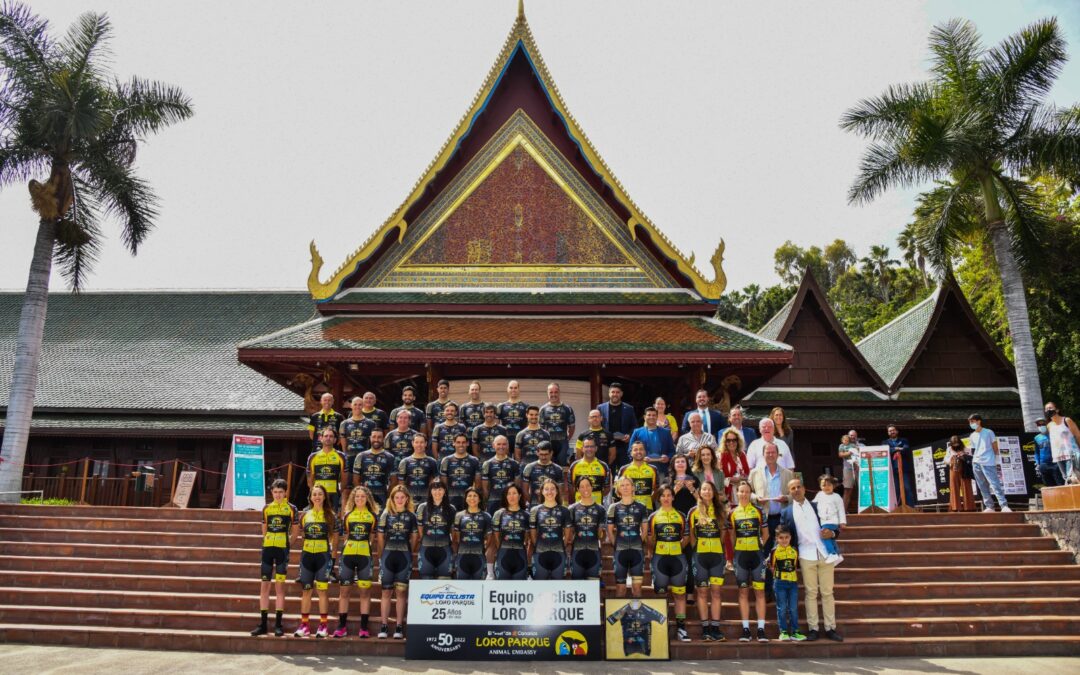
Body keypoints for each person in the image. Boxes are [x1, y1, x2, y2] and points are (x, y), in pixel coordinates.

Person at [779, 478, 842, 642]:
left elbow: (834, 526)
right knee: (811, 593)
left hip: (825, 554)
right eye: (793, 488)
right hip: (805, 555)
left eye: (799, 486)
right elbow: (782, 536)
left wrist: (833, 534)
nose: (796, 490)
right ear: (790, 492)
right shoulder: (786, 512)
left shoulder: (817, 506)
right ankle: (813, 628)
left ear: (805, 488)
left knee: (828, 592)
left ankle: (830, 628)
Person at [251, 478, 296, 637]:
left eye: (281, 492)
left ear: (285, 493)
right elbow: (264, 528)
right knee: (264, 587)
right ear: (272, 493)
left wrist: (288, 544)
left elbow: (296, 530)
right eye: (275, 492)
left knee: (280, 588)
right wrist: (267, 542)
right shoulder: (266, 508)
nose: (278, 495)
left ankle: (278, 625)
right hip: (268, 550)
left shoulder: (291, 509)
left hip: (282, 550)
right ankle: (263, 624)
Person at [646, 485, 691, 642]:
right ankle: (661, 627)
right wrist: (656, 549)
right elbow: (650, 539)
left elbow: (686, 538)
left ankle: (681, 627)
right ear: (659, 498)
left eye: (669, 495)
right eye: (663, 495)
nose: (666, 498)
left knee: (680, 594)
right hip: (660, 558)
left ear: (673, 497)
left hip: (678, 558)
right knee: (660, 593)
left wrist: (677, 547)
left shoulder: (681, 516)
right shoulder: (653, 517)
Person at [293, 484, 337, 638]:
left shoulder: (330, 515)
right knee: (306, 591)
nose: (317, 497)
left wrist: (333, 559)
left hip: (323, 557)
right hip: (307, 556)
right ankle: (304, 625)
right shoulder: (305, 515)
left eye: (320, 494)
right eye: (314, 494)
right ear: (310, 497)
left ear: (324, 497)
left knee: (322, 591)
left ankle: (323, 626)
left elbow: (335, 539)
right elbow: (303, 535)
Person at [334, 485, 377, 638]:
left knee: (365, 592)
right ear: (353, 498)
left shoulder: (372, 516)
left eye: (362, 496)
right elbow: (345, 537)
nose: (360, 499)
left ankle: (364, 628)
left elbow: (372, 538)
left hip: (365, 556)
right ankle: (341, 626)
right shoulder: (347, 516)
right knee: (344, 592)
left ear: (367, 499)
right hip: (348, 556)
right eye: (357, 496)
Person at [376, 484, 418, 640]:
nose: (399, 500)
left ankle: (399, 626)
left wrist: (408, 551)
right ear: (392, 499)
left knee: (401, 592)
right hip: (388, 555)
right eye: (396, 497)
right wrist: (382, 554)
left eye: (402, 497)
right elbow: (380, 538)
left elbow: (414, 538)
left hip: (404, 556)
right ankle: (384, 625)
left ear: (407, 499)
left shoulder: (412, 516)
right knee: (386, 592)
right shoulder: (385, 515)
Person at [688, 480, 726, 642]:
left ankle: (716, 628)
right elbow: (690, 534)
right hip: (700, 556)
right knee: (702, 592)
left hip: (717, 556)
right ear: (700, 492)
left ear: (714, 493)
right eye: (704, 489)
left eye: (710, 490)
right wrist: (696, 548)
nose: (707, 492)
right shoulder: (693, 511)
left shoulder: (720, 510)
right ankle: (705, 628)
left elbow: (723, 533)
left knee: (716, 592)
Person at [730, 481, 768, 642]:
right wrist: (736, 552)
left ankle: (761, 629)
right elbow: (731, 537)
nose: (744, 494)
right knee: (743, 592)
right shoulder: (732, 513)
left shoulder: (758, 511)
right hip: (740, 557)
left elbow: (766, 534)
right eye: (741, 492)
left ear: (750, 494)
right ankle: (745, 629)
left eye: (747, 492)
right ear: (736, 493)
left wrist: (759, 547)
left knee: (759, 592)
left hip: (757, 555)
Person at [607, 476, 650, 598]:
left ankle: (636, 616)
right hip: (620, 551)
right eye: (622, 485)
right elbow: (609, 531)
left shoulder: (641, 507)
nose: (625, 487)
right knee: (620, 589)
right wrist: (616, 544)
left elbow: (645, 530)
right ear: (618, 489)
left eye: (627, 485)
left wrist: (637, 542)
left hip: (637, 551)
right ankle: (620, 616)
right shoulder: (613, 507)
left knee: (637, 589)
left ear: (632, 488)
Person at [748, 444, 793, 558]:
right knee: (764, 550)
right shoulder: (755, 473)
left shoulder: (788, 473)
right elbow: (747, 492)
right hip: (763, 519)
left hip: (781, 518)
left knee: (781, 550)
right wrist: (756, 498)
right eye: (768, 452)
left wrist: (786, 498)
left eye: (773, 452)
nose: (770, 455)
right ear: (763, 455)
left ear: (778, 455)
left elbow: (795, 494)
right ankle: (765, 575)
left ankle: (781, 575)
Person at [719, 428, 750, 571]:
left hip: (741, 496)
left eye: (734, 440)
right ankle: (729, 559)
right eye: (729, 440)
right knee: (729, 528)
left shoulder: (742, 455)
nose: (731, 443)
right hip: (728, 496)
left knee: (742, 527)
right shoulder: (722, 456)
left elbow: (747, 474)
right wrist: (731, 479)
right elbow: (720, 477)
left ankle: (742, 558)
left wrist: (742, 479)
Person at [529, 478, 571, 580]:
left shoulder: (564, 510)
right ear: (542, 492)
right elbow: (533, 535)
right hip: (540, 553)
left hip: (559, 554)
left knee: (558, 587)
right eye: (546, 489)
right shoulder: (535, 510)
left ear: (557, 491)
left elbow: (567, 534)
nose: (549, 492)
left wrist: (561, 545)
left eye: (552, 489)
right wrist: (539, 545)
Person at [769, 525, 805, 642]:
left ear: (790, 537)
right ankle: (783, 631)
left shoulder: (794, 551)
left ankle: (795, 631)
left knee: (793, 608)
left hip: (793, 583)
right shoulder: (774, 551)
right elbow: (772, 566)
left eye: (786, 537)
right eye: (781, 538)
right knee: (782, 608)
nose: (784, 540)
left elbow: (795, 566)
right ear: (776, 539)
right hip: (779, 583)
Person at [969, 414, 1010, 512]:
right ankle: (989, 506)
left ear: (979, 421)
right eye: (970, 422)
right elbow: (973, 450)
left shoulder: (988, 432)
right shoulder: (972, 435)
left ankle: (1003, 505)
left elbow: (995, 446)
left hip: (988, 462)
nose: (971, 424)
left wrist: (995, 458)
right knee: (982, 486)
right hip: (976, 462)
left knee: (994, 483)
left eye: (973, 421)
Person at [568, 476, 607, 580]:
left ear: (592, 487)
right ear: (578, 489)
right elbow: (569, 533)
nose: (585, 489)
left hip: (594, 551)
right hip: (577, 552)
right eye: (582, 486)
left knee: (593, 587)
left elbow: (601, 534)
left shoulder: (601, 509)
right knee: (577, 588)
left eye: (587, 486)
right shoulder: (572, 509)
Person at [416, 480, 455, 579]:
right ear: (430, 491)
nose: (437, 492)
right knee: (426, 580)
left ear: (445, 491)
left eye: (440, 489)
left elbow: (453, 530)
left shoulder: (451, 509)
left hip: (444, 548)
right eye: (434, 489)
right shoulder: (422, 507)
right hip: (426, 548)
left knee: (444, 581)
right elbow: (420, 527)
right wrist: (423, 539)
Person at [491, 484, 530, 580]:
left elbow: (527, 539)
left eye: (514, 493)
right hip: (503, 555)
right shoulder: (498, 514)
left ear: (520, 495)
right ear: (505, 496)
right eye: (508, 494)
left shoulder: (526, 515)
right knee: (502, 590)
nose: (511, 496)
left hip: (520, 555)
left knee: (519, 591)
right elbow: (496, 537)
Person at [627, 407, 677, 480]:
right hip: (641, 470)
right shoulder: (637, 432)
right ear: (644, 417)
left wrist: (668, 458)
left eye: (654, 415)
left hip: (661, 470)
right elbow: (630, 452)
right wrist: (641, 458)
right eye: (649, 415)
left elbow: (672, 451)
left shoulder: (666, 432)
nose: (651, 417)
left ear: (657, 417)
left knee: (661, 490)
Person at [453, 487, 492, 580]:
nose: (472, 498)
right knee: (462, 588)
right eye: (469, 496)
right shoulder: (459, 516)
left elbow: (489, 538)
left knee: (479, 588)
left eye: (475, 496)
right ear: (466, 499)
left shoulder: (486, 516)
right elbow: (457, 538)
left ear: (479, 499)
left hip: (479, 556)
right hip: (462, 555)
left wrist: (484, 549)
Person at [352, 428, 395, 509]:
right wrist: (362, 495)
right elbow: (356, 480)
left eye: (379, 437)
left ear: (383, 439)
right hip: (365, 496)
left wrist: (388, 496)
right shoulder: (361, 456)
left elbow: (394, 481)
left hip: (382, 495)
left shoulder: (390, 457)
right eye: (374, 437)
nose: (376, 439)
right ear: (370, 438)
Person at [598, 382, 636, 470]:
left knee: (624, 472)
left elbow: (634, 425)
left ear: (621, 394)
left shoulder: (629, 408)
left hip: (624, 447)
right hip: (607, 446)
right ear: (609, 393)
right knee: (607, 472)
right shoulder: (600, 408)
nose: (615, 394)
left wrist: (629, 435)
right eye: (613, 392)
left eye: (617, 392)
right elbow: (597, 425)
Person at [307, 427, 347, 510]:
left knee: (332, 519)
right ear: (320, 438)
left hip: (334, 493)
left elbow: (344, 477)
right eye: (326, 436)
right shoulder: (313, 456)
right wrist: (314, 492)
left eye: (331, 436)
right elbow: (310, 478)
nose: (328, 438)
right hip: (318, 493)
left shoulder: (341, 456)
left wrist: (339, 491)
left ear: (335, 439)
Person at [340, 396, 378, 481]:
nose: (357, 407)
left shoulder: (371, 423)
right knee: (347, 488)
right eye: (355, 404)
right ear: (351, 406)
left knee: (364, 488)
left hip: (365, 458)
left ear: (363, 406)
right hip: (349, 458)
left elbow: (373, 442)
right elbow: (343, 443)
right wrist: (345, 457)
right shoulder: (344, 424)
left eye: (360, 404)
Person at [440, 433, 481, 512]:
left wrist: (473, 498)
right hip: (451, 498)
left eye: (463, 442)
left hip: (468, 499)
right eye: (458, 442)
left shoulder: (474, 460)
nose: (461, 445)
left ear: (467, 443)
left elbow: (478, 485)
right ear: (453, 443)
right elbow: (443, 484)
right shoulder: (446, 460)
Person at [481, 435, 521, 515]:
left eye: (504, 444)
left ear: (508, 445)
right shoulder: (487, 464)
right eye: (498, 444)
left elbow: (517, 486)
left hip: (509, 501)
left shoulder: (514, 464)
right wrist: (486, 502)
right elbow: (485, 488)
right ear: (493, 445)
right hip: (493, 501)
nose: (501, 447)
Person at [397, 433, 438, 507]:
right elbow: (401, 484)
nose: (419, 445)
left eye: (422, 442)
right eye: (417, 442)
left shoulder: (432, 461)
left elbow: (434, 481)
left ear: (426, 443)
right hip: (410, 497)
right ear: (412, 443)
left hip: (426, 498)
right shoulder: (405, 462)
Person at [539, 383, 576, 466]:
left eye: (555, 392)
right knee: (548, 466)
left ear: (559, 393)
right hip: (548, 443)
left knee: (562, 467)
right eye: (551, 392)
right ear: (547, 393)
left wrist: (566, 439)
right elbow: (540, 429)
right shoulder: (543, 409)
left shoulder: (567, 409)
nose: (553, 394)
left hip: (562, 443)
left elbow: (572, 427)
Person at [568, 437, 612, 504]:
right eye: (586, 446)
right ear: (582, 449)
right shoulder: (574, 466)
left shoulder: (604, 466)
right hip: (579, 506)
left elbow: (607, 488)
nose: (589, 449)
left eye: (592, 446)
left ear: (596, 448)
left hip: (597, 505)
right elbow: (571, 487)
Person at [812, 475, 845, 564]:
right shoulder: (819, 495)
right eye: (824, 485)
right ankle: (838, 555)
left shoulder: (836, 496)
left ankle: (832, 553)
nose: (826, 487)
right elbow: (813, 504)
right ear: (820, 486)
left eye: (829, 485)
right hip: (823, 521)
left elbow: (841, 509)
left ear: (833, 486)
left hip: (832, 521)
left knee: (824, 535)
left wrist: (842, 522)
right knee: (830, 538)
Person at [1045, 402, 1080, 484]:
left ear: (1057, 410)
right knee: (1067, 479)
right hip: (1058, 456)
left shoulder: (1066, 420)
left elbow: (1078, 435)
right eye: (1046, 409)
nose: (1048, 410)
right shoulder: (1049, 425)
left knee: (1072, 478)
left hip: (1071, 454)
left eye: (1050, 408)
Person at [618, 441, 659, 510]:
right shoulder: (624, 469)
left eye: (641, 449)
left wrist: (649, 501)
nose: (638, 452)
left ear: (645, 452)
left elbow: (656, 489)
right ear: (631, 453)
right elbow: (618, 489)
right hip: (629, 509)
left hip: (647, 508)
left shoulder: (653, 469)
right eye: (635, 450)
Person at [884, 424, 915, 508]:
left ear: (897, 431)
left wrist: (894, 449)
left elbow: (906, 449)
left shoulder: (904, 440)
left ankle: (910, 507)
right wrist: (897, 449)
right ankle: (897, 507)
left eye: (893, 430)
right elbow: (886, 451)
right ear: (888, 433)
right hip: (892, 469)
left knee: (907, 488)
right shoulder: (885, 442)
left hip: (904, 468)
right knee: (896, 489)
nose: (892, 432)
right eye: (890, 431)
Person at [497, 380, 529, 456]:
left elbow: (528, 426)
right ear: (507, 389)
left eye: (515, 388)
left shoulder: (526, 407)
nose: (513, 390)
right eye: (511, 388)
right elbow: (497, 426)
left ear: (519, 390)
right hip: (505, 441)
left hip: (521, 440)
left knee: (519, 463)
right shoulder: (501, 406)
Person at [944, 435, 975, 512]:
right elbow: (945, 459)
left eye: (957, 444)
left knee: (966, 487)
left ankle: (969, 507)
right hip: (953, 469)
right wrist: (952, 458)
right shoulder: (949, 449)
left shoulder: (966, 448)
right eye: (953, 445)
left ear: (960, 443)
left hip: (964, 470)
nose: (955, 446)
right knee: (954, 488)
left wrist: (963, 456)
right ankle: (955, 507)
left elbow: (971, 458)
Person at [838, 431, 864, 513]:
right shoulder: (843, 445)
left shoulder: (861, 445)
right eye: (851, 435)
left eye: (854, 435)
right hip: (848, 469)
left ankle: (865, 509)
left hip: (861, 469)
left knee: (864, 489)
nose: (852, 437)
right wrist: (850, 452)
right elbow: (840, 455)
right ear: (848, 436)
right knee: (847, 490)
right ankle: (843, 511)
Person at [1034, 418, 1062, 488]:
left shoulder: (1054, 434)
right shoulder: (1036, 438)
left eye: (1043, 424)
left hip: (1055, 463)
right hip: (1043, 465)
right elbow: (1037, 451)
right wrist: (1038, 463)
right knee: (1049, 487)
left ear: (1047, 424)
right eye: (1039, 425)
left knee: (1060, 484)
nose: (1041, 426)